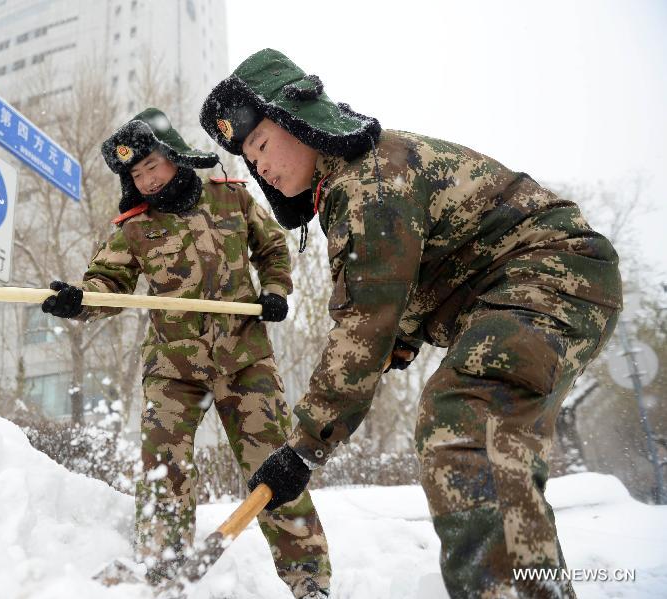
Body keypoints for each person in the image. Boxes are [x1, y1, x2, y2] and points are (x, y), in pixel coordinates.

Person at [199, 48, 622, 599]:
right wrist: (397, 342)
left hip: (548, 273)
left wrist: (302, 448)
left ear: (296, 118)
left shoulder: (367, 181)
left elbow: (363, 324)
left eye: (260, 146)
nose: (262, 169)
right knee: (476, 432)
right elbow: (397, 299)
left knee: (463, 426)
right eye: (250, 163)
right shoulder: (346, 186)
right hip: (516, 292)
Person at [41, 107, 332, 598]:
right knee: (164, 466)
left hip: (245, 359)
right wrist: (79, 302)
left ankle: (309, 578)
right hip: (174, 368)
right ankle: (163, 570)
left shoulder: (232, 198)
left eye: (153, 165)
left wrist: (276, 291)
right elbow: (106, 286)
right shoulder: (133, 227)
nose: (148, 179)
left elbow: (272, 250)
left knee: (275, 466)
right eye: (137, 174)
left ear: (174, 156)